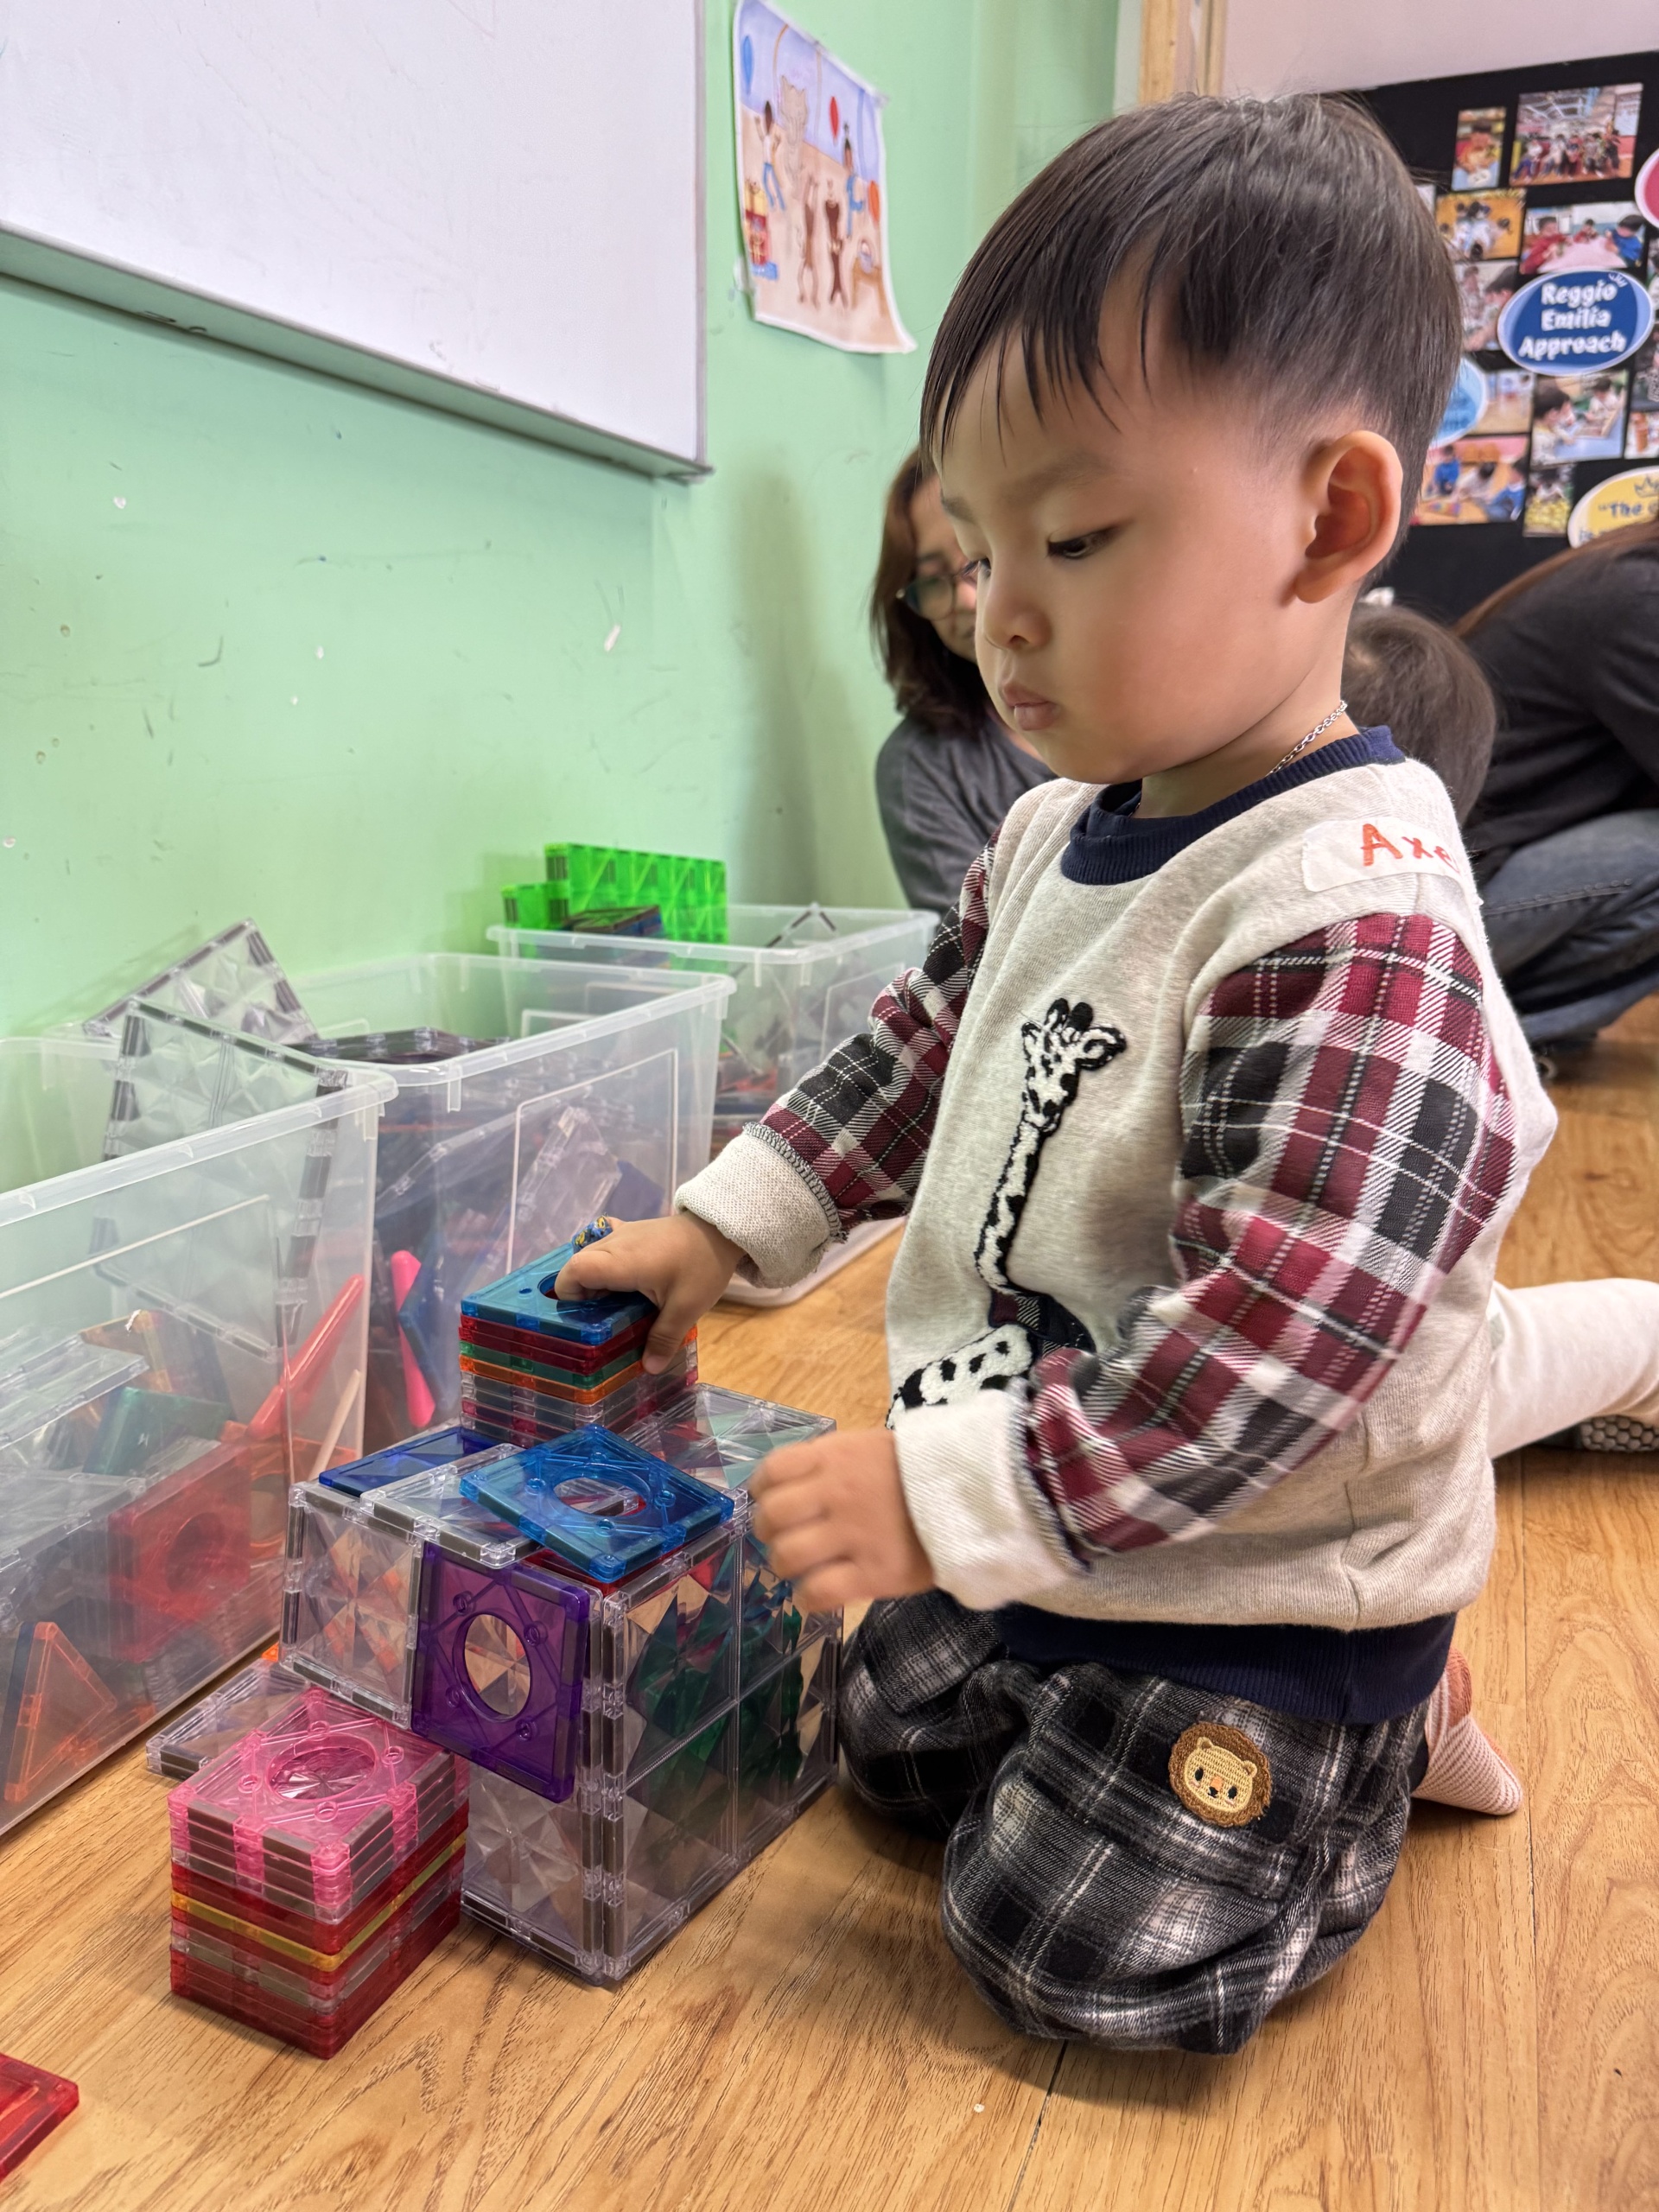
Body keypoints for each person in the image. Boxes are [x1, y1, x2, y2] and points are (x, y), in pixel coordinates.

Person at [560, 95, 1561, 2055]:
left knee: (1059, 1948)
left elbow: (1261, 1366)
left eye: (1076, 538)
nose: (998, 614)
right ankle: (1062, 1659)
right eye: (972, 553)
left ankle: (1388, 1744)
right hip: (1059, 1499)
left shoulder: (1356, 916)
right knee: (872, 1743)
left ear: (1329, 522)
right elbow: (916, 1051)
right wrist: (721, 1227)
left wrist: (943, 1498)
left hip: (1268, 1589)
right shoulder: (1047, 832)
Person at [1459, 518, 1659, 1058]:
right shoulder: (1639, 597)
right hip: (1441, 905)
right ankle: (1483, 1045)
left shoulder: (1625, 571)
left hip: (1477, 877)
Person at [870, 448, 1056, 912]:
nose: (969, 601)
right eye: (933, 579)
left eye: (978, 561)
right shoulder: (922, 764)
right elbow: (966, 947)